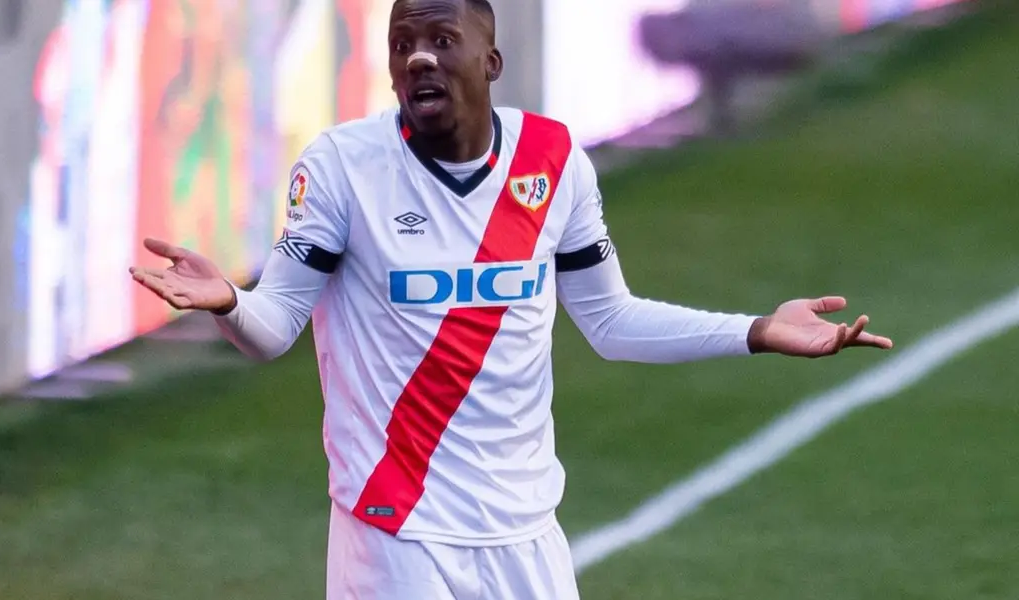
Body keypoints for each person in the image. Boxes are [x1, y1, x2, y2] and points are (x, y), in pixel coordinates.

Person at [130, 0, 894, 597]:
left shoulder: (552, 161)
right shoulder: (341, 168)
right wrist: (230, 300)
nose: (419, 57)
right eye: (402, 44)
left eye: (440, 40)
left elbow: (610, 320)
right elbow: (272, 331)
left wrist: (757, 329)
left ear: (490, 60)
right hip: (396, 534)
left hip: (526, 530)